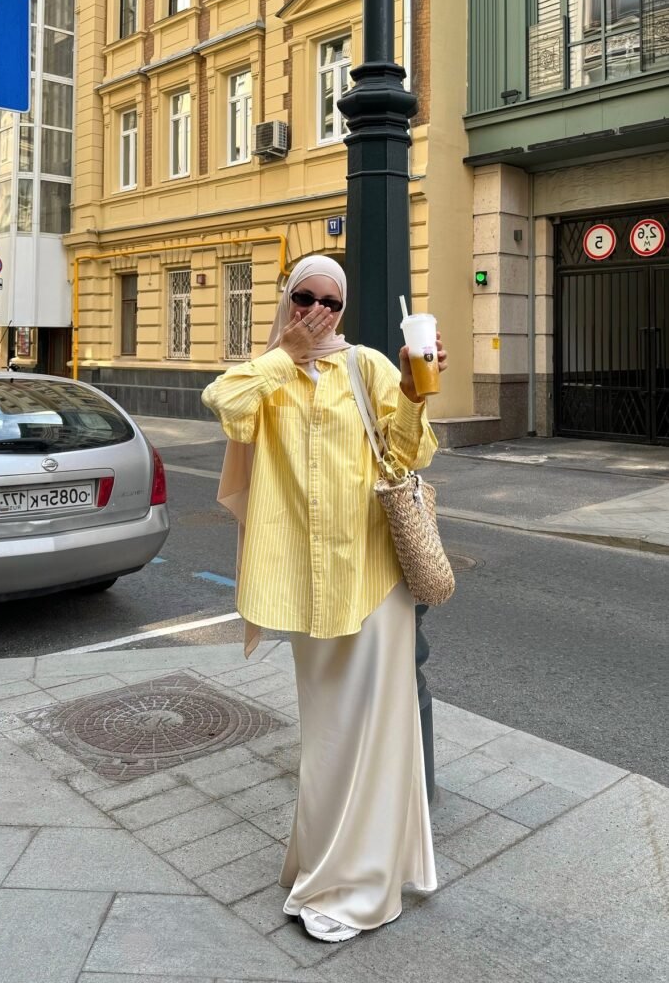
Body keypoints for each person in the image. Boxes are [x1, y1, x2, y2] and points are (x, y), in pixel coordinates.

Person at [202, 254, 448, 943]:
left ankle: (361, 889)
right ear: (286, 301)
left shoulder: (365, 366)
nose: (317, 311)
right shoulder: (265, 375)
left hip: (373, 581)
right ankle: (323, 865)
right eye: (304, 297)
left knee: (375, 732)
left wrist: (413, 387)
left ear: (344, 311)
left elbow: (409, 455)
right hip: (307, 590)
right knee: (330, 738)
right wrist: (287, 355)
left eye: (330, 303)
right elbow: (223, 407)